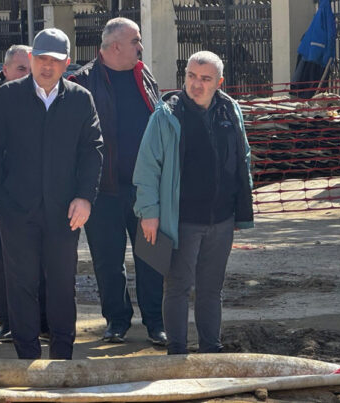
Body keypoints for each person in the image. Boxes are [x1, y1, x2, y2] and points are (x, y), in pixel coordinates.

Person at [0, 28, 103, 359]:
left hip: (65, 211)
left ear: (66, 64)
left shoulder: (80, 99)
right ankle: (27, 358)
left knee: (63, 284)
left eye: (54, 61)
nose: (46, 67)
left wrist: (85, 197)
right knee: (21, 285)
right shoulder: (8, 96)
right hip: (16, 210)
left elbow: (92, 151)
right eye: (41, 59)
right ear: (32, 59)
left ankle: (62, 356)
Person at [133, 51, 254, 355]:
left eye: (205, 79)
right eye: (191, 76)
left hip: (222, 219)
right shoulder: (166, 115)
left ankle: (211, 351)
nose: (196, 84)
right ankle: (177, 353)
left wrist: (241, 207)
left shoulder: (230, 110)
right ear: (184, 75)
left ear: (219, 82)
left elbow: (243, 157)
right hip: (181, 220)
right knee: (177, 288)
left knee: (211, 290)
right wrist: (149, 213)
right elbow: (148, 167)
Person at [70, 17, 166, 345]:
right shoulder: (82, 81)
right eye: (135, 41)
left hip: (146, 192)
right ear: (114, 47)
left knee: (153, 258)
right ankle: (117, 320)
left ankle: (156, 322)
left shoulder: (143, 73)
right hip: (103, 192)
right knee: (108, 262)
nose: (141, 46)